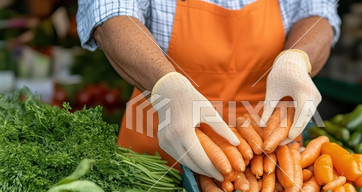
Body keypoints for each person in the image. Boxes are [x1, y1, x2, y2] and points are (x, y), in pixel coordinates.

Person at [77, 0, 341, 181]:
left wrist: (297, 57)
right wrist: (167, 86)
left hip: (269, 161)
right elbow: (109, 14)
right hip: (157, 156)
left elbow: (318, 12)